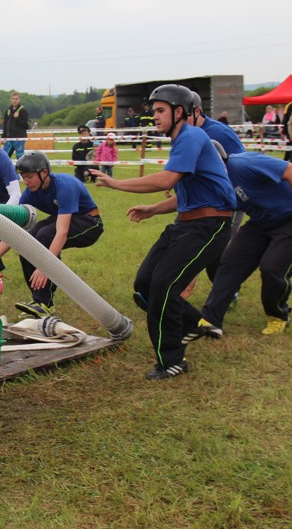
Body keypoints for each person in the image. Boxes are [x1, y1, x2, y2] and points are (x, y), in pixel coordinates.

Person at [91, 84, 236, 380]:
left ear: (178, 111)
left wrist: (117, 183)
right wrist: (154, 209)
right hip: (186, 224)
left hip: (209, 226)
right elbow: (191, 192)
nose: (153, 116)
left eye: (159, 111)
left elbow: (168, 178)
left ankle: (172, 360)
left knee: (164, 285)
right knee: (145, 282)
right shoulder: (182, 139)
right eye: (153, 110)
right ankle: (194, 324)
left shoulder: (192, 135)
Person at [183, 148, 292, 340]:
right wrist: (155, 208)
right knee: (230, 263)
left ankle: (278, 314)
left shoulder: (244, 164)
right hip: (261, 222)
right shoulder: (215, 183)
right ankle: (211, 320)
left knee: (272, 268)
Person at [0, 151, 103, 318]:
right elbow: (14, 230)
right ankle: (39, 301)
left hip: (90, 223)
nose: (26, 181)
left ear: (44, 172)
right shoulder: (31, 193)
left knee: (45, 235)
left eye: (30, 176)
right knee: (27, 241)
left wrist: (44, 267)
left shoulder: (65, 186)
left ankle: (45, 303)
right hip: (64, 219)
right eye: (23, 177)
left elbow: (62, 232)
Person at [2, 92, 29, 159]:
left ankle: (20, 170)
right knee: (4, 157)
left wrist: (17, 118)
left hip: (19, 139)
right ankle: (6, 169)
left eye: (16, 99)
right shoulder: (8, 111)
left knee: (20, 158)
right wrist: (3, 137)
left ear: (19, 99)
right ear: (11, 100)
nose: (15, 100)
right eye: (13, 99)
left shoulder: (23, 111)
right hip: (9, 138)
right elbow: (5, 125)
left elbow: (26, 126)